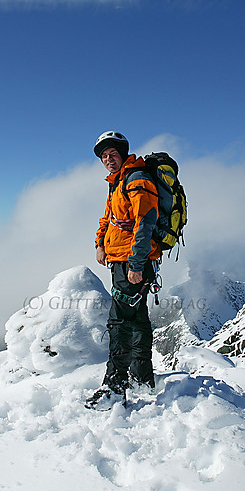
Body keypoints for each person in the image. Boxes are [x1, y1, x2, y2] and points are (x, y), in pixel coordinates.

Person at [87, 130, 162, 408]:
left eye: (113, 154)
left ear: (123, 154)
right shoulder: (116, 183)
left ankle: (114, 387)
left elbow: (146, 222)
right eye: (104, 156)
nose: (108, 159)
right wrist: (99, 244)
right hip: (120, 260)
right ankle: (141, 378)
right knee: (137, 319)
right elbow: (108, 217)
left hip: (132, 263)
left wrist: (137, 264)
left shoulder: (136, 179)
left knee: (119, 322)